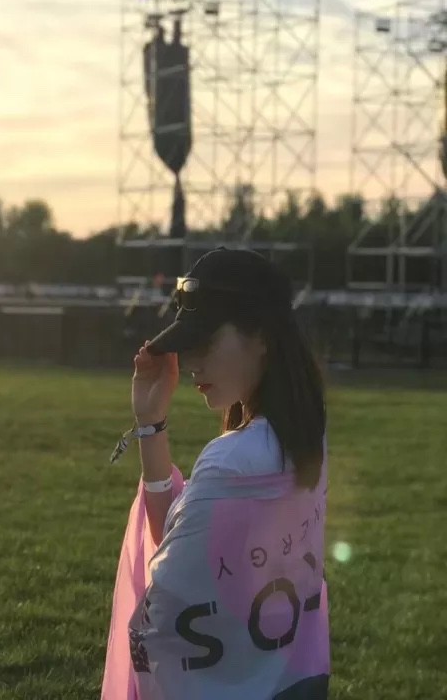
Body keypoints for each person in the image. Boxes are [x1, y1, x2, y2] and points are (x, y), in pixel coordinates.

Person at [101, 247, 330, 700]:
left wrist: (150, 424)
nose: (190, 363)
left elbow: (169, 590)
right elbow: (187, 543)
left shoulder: (231, 461)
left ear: (260, 335)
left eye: (205, 342)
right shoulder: (307, 434)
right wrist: (150, 423)